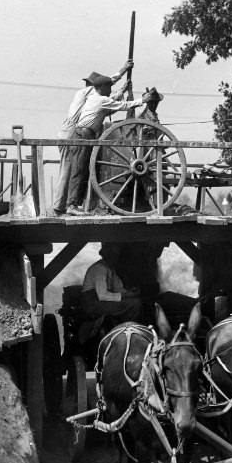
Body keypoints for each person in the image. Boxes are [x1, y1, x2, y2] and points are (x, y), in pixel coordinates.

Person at [53, 62, 145, 216]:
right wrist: (124, 72)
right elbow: (115, 100)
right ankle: (65, 206)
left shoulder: (94, 97)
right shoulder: (87, 94)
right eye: (108, 87)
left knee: (79, 170)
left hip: (81, 132)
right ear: (95, 86)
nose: (110, 89)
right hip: (76, 132)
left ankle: (71, 204)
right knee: (73, 170)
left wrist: (122, 90)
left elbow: (111, 102)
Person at [80, 244, 144, 324]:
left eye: (117, 255)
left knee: (137, 301)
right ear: (108, 255)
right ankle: (127, 330)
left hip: (102, 303)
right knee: (135, 304)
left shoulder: (110, 269)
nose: (117, 257)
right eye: (114, 255)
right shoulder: (99, 268)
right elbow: (102, 296)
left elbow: (118, 289)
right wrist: (126, 295)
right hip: (93, 305)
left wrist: (131, 292)